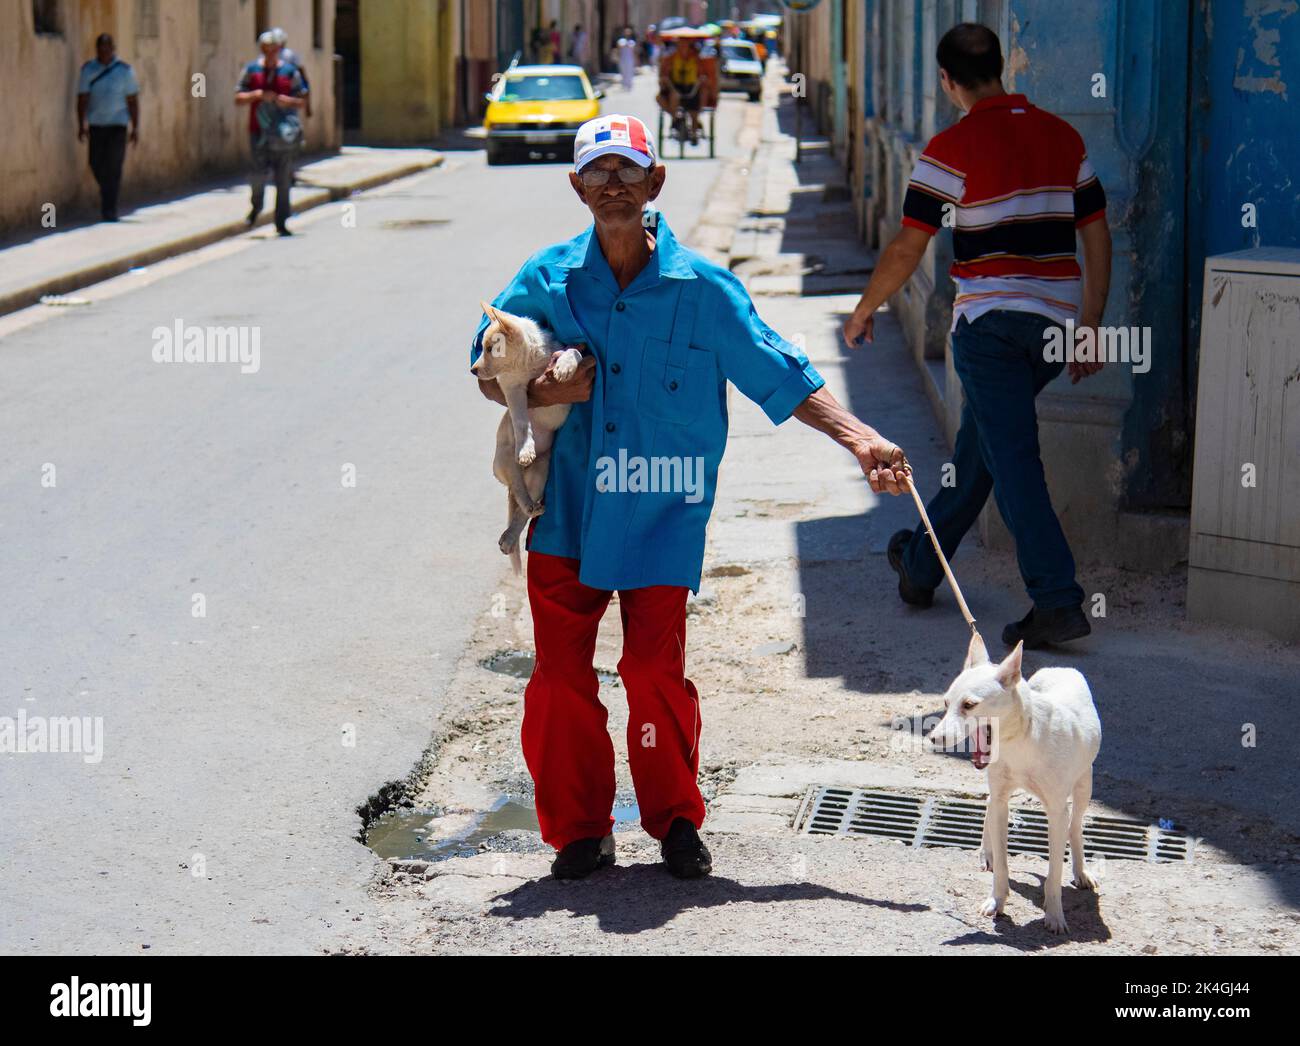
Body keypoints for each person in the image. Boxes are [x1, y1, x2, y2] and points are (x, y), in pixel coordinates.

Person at [470, 115, 909, 880]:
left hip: (662, 513)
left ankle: (673, 818)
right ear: (577, 188)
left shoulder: (703, 289)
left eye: (627, 171)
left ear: (654, 184)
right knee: (559, 679)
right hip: (568, 509)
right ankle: (580, 830)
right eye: (598, 173)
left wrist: (860, 437)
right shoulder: (544, 278)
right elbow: (485, 368)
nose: (613, 186)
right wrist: (544, 386)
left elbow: (779, 370)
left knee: (652, 673)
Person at [843, 23, 1112, 649]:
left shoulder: (950, 150)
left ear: (947, 80)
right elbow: (1097, 235)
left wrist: (863, 311)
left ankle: (1056, 599)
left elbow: (910, 246)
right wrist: (1091, 328)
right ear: (999, 68)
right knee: (981, 455)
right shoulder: (1063, 137)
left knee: (1012, 459)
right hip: (1050, 330)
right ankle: (918, 567)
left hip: (989, 333)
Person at [235, 28, 308, 236]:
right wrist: (257, 95)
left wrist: (283, 101)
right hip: (258, 131)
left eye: (274, 49)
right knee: (258, 175)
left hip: (284, 134)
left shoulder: (289, 72)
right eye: (266, 49)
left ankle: (281, 220)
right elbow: (238, 96)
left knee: (283, 178)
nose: (270, 53)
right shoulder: (251, 70)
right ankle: (256, 206)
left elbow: (301, 99)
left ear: (279, 49)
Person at [76, 34, 140, 222]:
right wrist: (81, 124)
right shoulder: (88, 70)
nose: (104, 52)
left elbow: (133, 101)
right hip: (96, 125)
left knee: (114, 166)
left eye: (107, 48)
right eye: (100, 49)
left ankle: (109, 209)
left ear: (113, 49)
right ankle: (108, 193)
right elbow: (82, 98)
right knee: (95, 163)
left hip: (117, 126)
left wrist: (135, 127)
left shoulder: (125, 71)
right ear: (96, 50)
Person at [658, 36, 703, 143]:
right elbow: (664, 75)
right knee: (667, 97)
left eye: (685, 44)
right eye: (681, 44)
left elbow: (702, 74)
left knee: (694, 111)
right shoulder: (671, 58)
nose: (683, 47)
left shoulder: (697, 58)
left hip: (692, 87)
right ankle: (675, 119)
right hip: (675, 86)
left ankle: (694, 131)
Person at [616, 27, 638, 91]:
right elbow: (618, 48)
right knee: (623, 72)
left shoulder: (632, 42)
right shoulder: (621, 41)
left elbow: (634, 51)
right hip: (622, 58)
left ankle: (629, 85)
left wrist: (636, 60)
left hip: (630, 59)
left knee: (629, 72)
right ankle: (624, 84)